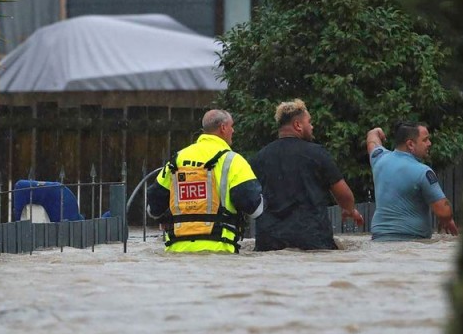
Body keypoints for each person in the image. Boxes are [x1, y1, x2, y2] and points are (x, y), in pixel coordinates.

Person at [250, 99, 363, 250]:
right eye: (309, 122)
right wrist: (349, 210)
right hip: (312, 240)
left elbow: (250, 197)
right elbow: (344, 195)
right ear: (298, 125)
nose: (312, 126)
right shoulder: (317, 154)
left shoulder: (259, 157)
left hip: (269, 242)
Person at [146, 109, 263, 253]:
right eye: (232, 126)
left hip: (177, 253)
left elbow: (153, 208)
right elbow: (256, 209)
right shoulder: (233, 161)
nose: (233, 130)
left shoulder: (177, 159)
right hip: (220, 251)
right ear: (223, 128)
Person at [366, 122, 458, 240]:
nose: (429, 144)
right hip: (412, 243)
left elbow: (371, 141)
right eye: (425, 140)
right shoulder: (423, 172)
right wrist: (448, 219)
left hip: (379, 241)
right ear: (410, 144)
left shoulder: (378, 158)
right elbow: (443, 212)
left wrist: (375, 131)